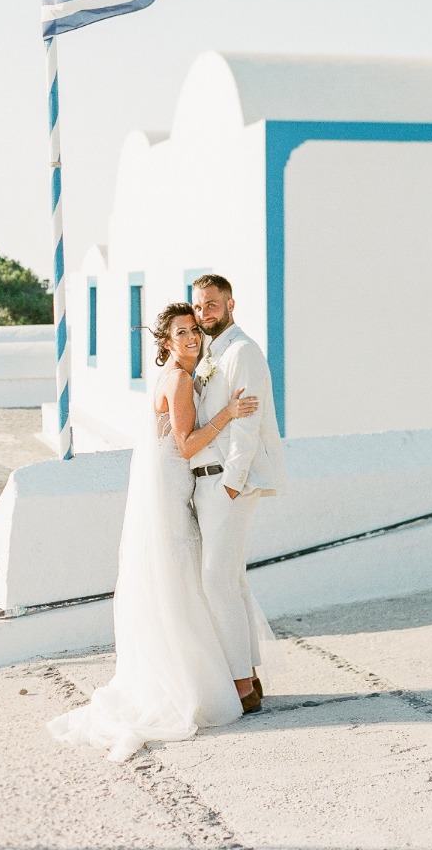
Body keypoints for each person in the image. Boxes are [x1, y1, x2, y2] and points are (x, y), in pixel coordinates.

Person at [47, 301, 260, 762]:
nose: (190, 338)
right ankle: (194, 684)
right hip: (170, 494)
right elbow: (185, 446)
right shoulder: (179, 379)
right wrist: (228, 415)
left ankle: (199, 675)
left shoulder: (177, 377)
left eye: (193, 331)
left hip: (171, 491)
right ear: (166, 342)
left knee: (181, 584)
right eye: (181, 333)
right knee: (183, 583)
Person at [190, 274, 287, 712]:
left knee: (216, 582)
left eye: (212, 304)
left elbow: (248, 422)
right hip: (213, 483)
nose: (204, 312)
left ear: (230, 305)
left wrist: (230, 483)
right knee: (230, 581)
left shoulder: (243, 351)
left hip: (230, 484)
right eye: (198, 306)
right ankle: (248, 678)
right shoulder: (213, 352)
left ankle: (241, 688)